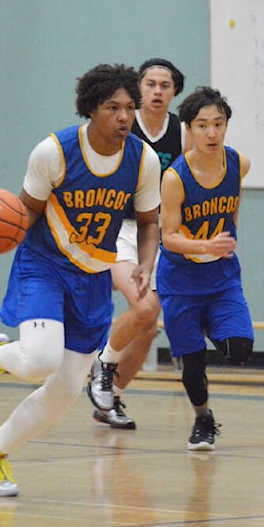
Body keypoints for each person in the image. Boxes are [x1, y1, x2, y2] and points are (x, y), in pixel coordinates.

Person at [0, 64, 160, 494]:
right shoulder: (53, 152)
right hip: (44, 265)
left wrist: (145, 263)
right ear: (91, 109)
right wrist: (0, 232)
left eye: (129, 108)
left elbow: (147, 222)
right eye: (113, 108)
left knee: (66, 389)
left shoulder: (144, 160)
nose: (124, 117)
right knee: (40, 359)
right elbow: (25, 213)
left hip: (94, 277)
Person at [87, 58, 191, 430]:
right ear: (138, 88)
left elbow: (202, 177)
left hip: (156, 231)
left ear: (174, 91)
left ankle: (109, 398)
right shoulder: (121, 126)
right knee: (146, 306)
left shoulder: (181, 132)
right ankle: (102, 363)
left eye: (165, 85)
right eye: (150, 83)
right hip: (116, 229)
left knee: (148, 325)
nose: (157, 91)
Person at [155, 86, 253, 450]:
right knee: (193, 366)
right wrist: (204, 246)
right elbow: (169, 237)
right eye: (202, 125)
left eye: (219, 124)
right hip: (181, 279)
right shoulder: (174, 178)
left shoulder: (239, 163)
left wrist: (224, 241)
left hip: (221, 277)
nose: (212, 133)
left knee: (240, 350)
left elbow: (233, 206)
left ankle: (210, 320)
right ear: (189, 129)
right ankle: (203, 419)